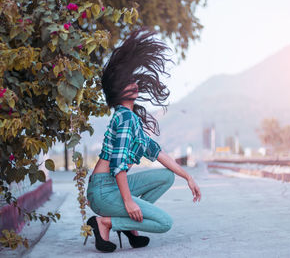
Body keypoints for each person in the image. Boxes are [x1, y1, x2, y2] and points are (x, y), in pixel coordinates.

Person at [84, 28, 202, 253]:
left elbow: (161, 154)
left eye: (133, 80)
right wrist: (129, 202)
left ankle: (127, 225)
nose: (134, 83)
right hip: (103, 191)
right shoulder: (125, 118)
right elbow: (118, 165)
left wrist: (188, 177)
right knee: (164, 223)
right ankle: (106, 222)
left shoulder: (131, 120)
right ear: (119, 91)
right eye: (127, 82)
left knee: (166, 176)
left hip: (106, 188)